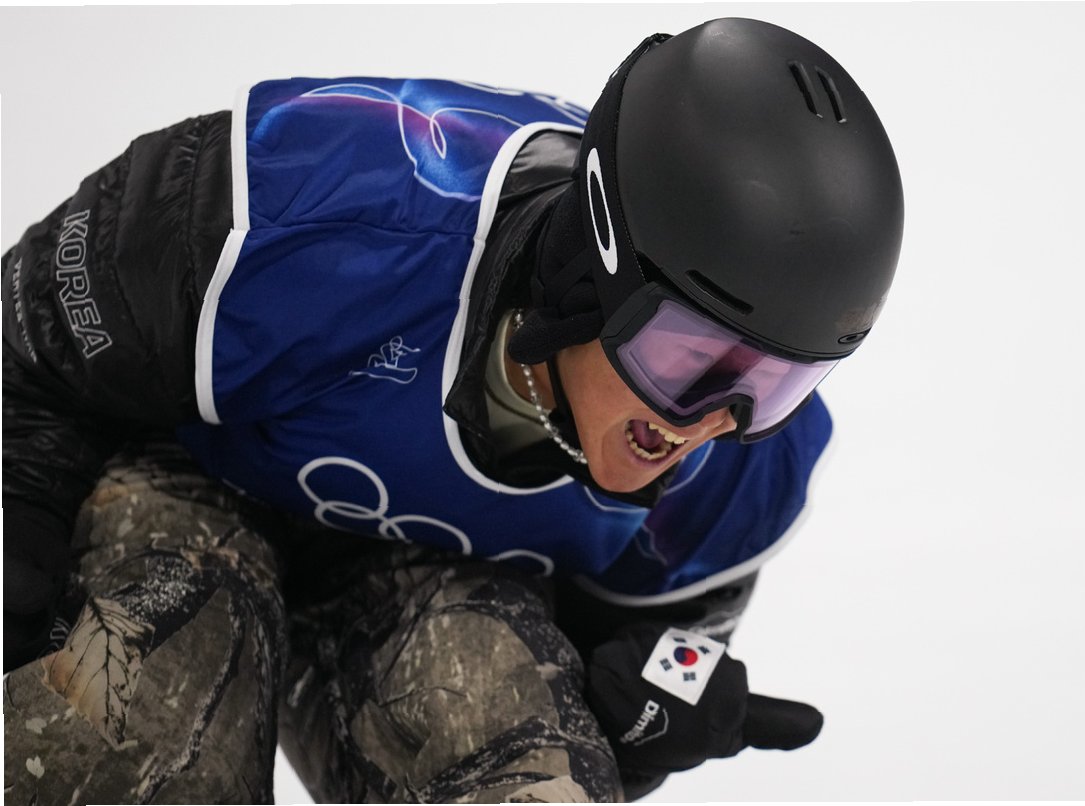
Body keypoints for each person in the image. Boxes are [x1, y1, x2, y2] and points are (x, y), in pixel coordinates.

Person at [2, 16, 903, 804]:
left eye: (773, 383)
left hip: (430, 578)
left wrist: (633, 726)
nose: (714, 419)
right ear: (595, 270)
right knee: (130, 707)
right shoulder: (303, 213)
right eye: (688, 358)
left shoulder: (742, 471)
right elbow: (24, 352)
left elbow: (595, 682)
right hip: (189, 473)